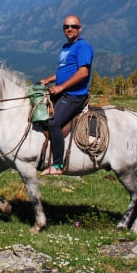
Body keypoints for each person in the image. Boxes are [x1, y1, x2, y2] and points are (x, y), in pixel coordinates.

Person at [39, 15, 93, 175]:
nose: (69, 29)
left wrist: (61, 87)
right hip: (63, 91)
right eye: (66, 27)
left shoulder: (83, 47)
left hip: (74, 95)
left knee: (54, 123)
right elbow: (65, 71)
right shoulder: (66, 47)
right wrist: (49, 80)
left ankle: (58, 165)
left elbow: (83, 72)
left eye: (74, 26)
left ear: (80, 29)